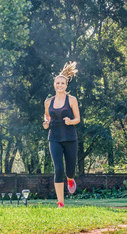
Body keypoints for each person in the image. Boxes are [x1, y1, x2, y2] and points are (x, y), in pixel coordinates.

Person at [43, 62, 80, 208]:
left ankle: (70, 179)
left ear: (66, 85)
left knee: (70, 169)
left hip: (70, 138)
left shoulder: (71, 100)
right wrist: (46, 123)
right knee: (58, 169)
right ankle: (60, 203)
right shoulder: (48, 102)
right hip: (54, 138)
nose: (60, 85)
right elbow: (47, 117)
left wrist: (71, 121)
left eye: (62, 83)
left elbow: (78, 119)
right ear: (54, 84)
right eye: (57, 83)